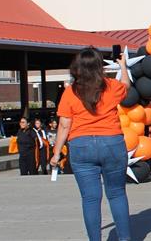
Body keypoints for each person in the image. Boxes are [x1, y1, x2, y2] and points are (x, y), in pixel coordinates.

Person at [49, 47, 131, 241]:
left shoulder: (70, 92)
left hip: (81, 145)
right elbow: (126, 86)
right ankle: (125, 238)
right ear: (99, 65)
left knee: (90, 199)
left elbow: (64, 124)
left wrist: (56, 152)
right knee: (117, 194)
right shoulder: (111, 86)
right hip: (112, 143)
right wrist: (123, 66)